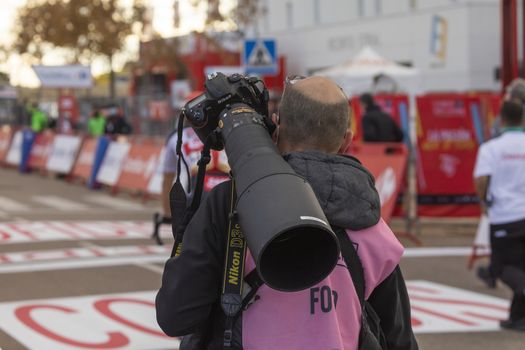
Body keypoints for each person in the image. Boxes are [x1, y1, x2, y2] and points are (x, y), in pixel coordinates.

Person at [156, 76, 418, 349]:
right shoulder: (370, 220)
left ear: (275, 127)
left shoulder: (231, 202)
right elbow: (398, 338)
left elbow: (175, 315)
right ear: (346, 142)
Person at [473, 100, 525, 331]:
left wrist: (484, 201)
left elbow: (482, 179)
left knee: (500, 267)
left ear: (501, 119)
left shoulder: (491, 148)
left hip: (505, 215)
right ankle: (518, 318)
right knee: (521, 265)